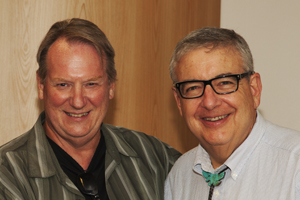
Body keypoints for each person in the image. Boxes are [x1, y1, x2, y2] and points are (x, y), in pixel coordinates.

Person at [0, 18, 181, 200]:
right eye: (63, 84)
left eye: (91, 84)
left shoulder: (155, 158)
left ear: (110, 86)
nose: (78, 101)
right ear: (41, 86)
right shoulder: (7, 175)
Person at [164, 27, 300, 200]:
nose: (210, 102)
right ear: (179, 102)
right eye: (193, 88)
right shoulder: (180, 175)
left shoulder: (295, 166)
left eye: (224, 83)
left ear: (254, 89)